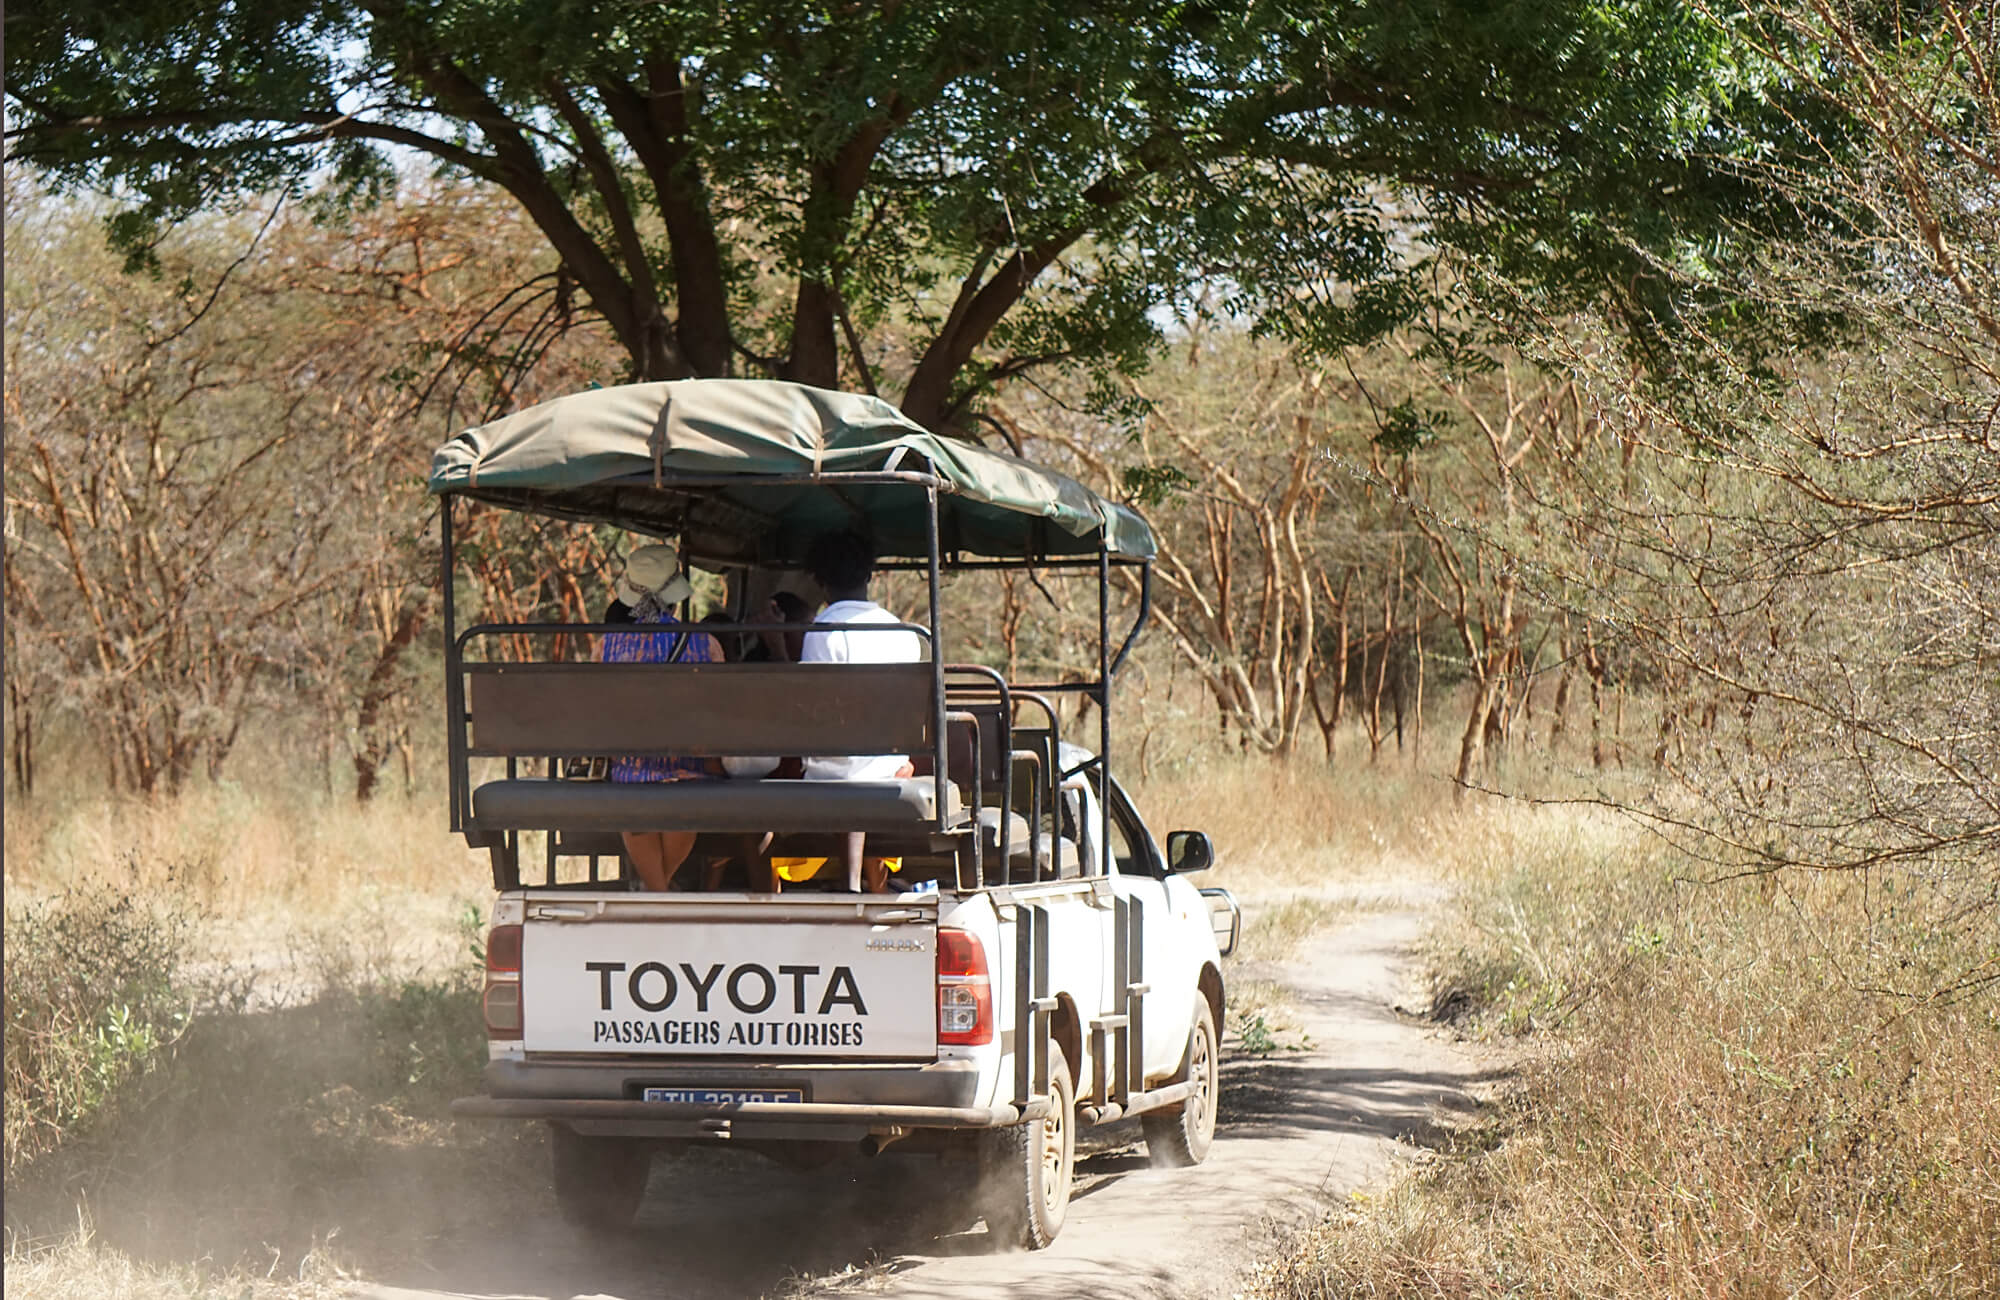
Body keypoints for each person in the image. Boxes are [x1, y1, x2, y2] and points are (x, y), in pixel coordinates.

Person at [797, 529, 924, 892]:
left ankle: (848, 880)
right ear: (870, 575)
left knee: (832, 766)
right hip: (887, 763)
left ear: (820, 582)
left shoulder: (824, 630)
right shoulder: (903, 632)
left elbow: (813, 707)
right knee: (869, 765)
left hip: (833, 768)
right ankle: (870, 882)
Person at [598, 546, 723, 891]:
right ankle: (660, 892)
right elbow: (721, 710)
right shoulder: (706, 644)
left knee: (633, 791)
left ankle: (657, 892)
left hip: (628, 768)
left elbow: (595, 709)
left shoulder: (606, 646)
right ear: (674, 594)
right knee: (686, 800)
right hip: (688, 768)